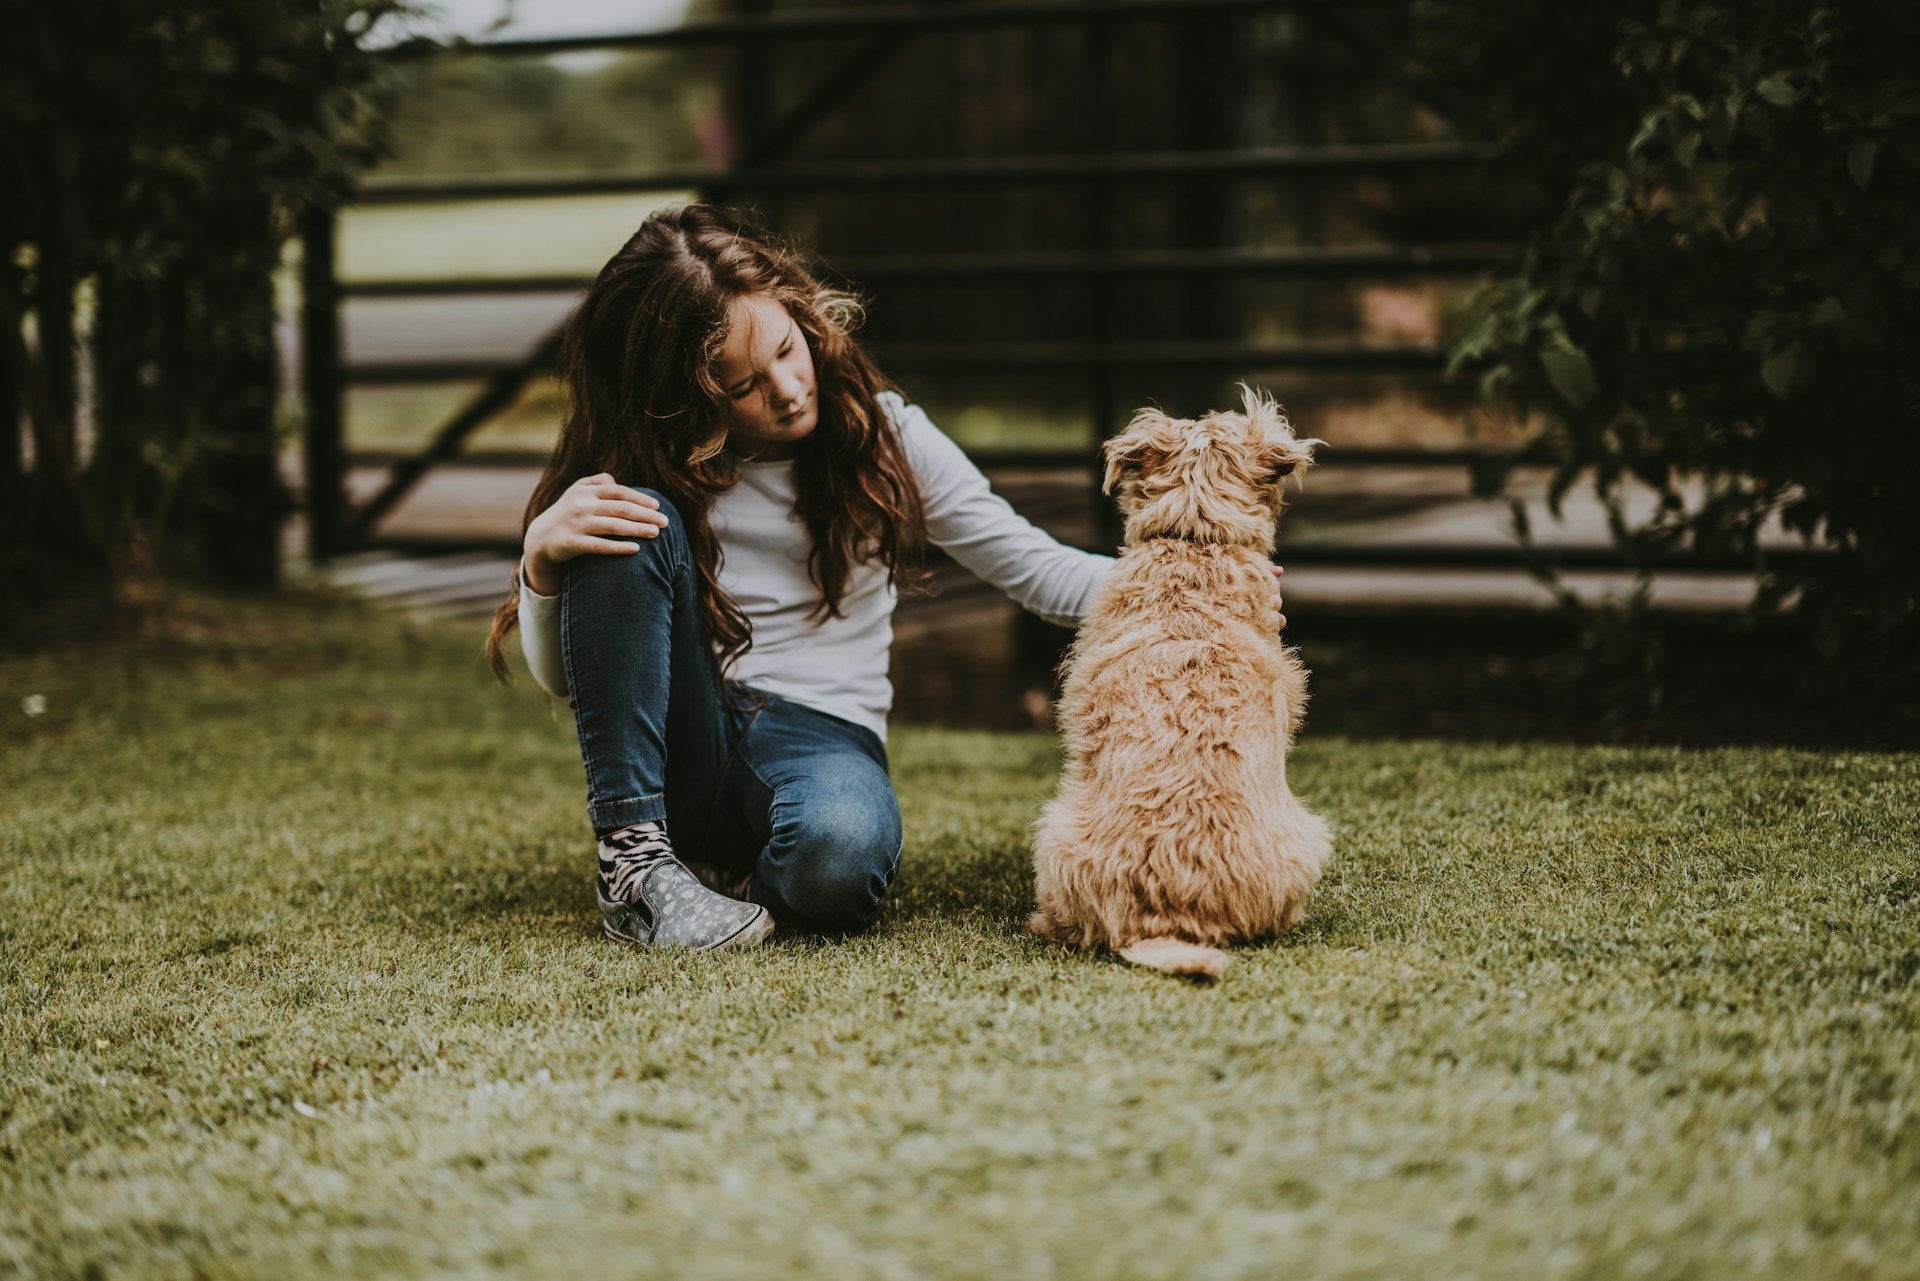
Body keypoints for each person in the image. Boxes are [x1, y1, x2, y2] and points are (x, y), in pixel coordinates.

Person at [485, 203, 1284, 952]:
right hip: (684, 733)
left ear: (803, 314)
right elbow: (571, 687)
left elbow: (1034, 567)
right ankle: (636, 867)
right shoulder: (637, 474)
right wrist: (542, 564)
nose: (788, 389)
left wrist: (1200, 592)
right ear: (677, 399)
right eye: (741, 386)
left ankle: (717, 885)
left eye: (786, 350)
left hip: (822, 732)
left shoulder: (884, 434)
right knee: (626, 517)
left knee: (840, 866)